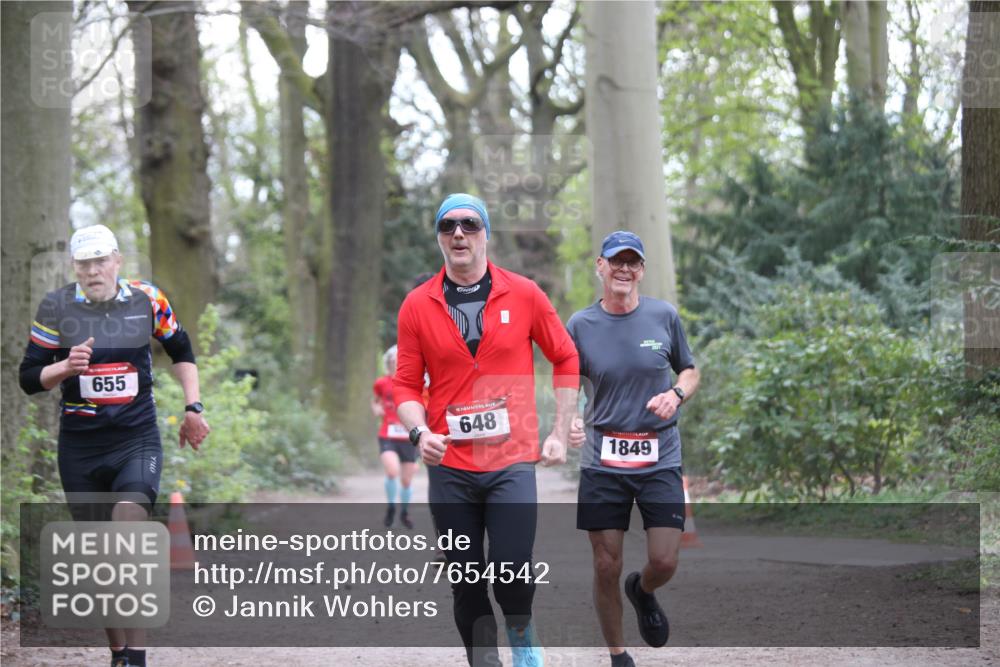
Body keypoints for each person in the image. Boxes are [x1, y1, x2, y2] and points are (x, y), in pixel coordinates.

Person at [394, 193, 579, 667]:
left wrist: (559, 429)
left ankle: (521, 633)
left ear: (486, 234)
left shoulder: (524, 294)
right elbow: (406, 388)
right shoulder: (417, 305)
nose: (459, 233)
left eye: (470, 225)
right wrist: (419, 435)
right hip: (451, 464)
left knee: (513, 568)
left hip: (512, 458)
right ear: (439, 238)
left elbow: (565, 357)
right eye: (448, 226)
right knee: (465, 575)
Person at [19, 224, 210, 667]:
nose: (92, 270)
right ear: (75, 268)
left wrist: (193, 407)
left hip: (135, 440)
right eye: (84, 263)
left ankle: (137, 658)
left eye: (100, 260)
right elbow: (29, 378)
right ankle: (119, 652)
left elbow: (181, 349)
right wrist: (64, 367)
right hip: (81, 448)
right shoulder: (56, 307)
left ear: (117, 261)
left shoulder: (148, 299)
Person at [566, 231, 700, 667]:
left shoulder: (664, 316)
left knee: (664, 559)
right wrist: (567, 418)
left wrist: (676, 395)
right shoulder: (580, 325)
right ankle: (618, 654)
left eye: (633, 262)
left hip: (660, 456)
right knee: (606, 564)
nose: (624, 269)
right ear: (599, 266)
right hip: (603, 459)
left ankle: (642, 590)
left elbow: (690, 371)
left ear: (641, 270)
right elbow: (567, 380)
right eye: (616, 261)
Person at [371, 345, 417, 528]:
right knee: (392, 471)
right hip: (387, 434)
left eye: (398, 360)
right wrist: (376, 409)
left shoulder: (414, 382)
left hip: (408, 438)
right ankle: (391, 507)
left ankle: (404, 512)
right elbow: (375, 401)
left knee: (406, 480)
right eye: (392, 360)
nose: (395, 363)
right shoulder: (381, 383)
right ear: (388, 363)